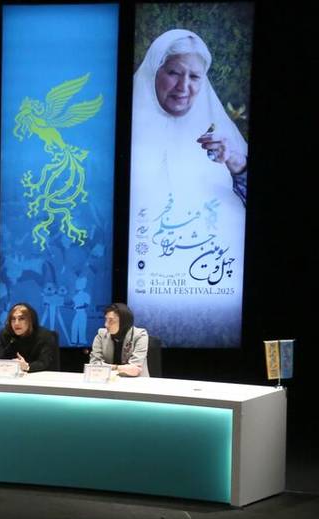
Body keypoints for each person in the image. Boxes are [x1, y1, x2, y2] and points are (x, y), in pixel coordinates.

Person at [129, 29, 248, 345]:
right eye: (173, 73)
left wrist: (236, 164)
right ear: (155, 71)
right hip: (139, 286)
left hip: (210, 288)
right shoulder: (124, 126)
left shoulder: (220, 134)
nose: (184, 87)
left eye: (194, 77)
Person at [0, 303, 58, 374]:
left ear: (30, 321)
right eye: (13, 319)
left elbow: (43, 362)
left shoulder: (45, 336)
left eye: (21, 318)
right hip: (10, 376)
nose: (16, 323)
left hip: (39, 376)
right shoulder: (5, 335)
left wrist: (27, 366)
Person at [88, 302, 149, 377]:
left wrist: (105, 367)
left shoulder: (140, 335)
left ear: (124, 321)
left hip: (136, 381)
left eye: (111, 320)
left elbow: (134, 369)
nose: (106, 324)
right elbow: (94, 365)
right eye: (106, 319)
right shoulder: (101, 335)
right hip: (108, 380)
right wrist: (117, 368)